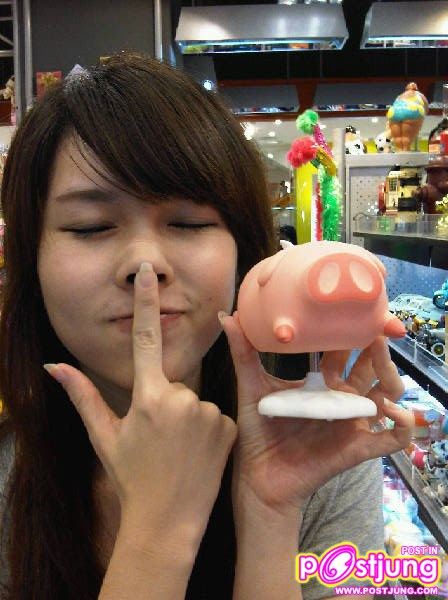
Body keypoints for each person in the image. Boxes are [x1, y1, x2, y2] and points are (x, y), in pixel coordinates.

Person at [0, 52, 413, 600]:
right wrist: (156, 537)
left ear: (244, 252)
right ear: (30, 258)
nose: (145, 264)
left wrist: (270, 513)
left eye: (189, 222)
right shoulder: (10, 475)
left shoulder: (315, 454)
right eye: (90, 226)